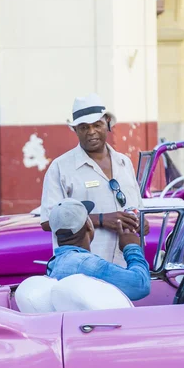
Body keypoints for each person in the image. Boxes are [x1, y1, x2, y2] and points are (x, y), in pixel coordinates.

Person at [40, 93, 147, 267]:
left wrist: (141, 224)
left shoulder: (124, 162)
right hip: (83, 270)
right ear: (75, 130)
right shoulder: (60, 167)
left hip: (124, 267)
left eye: (97, 125)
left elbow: (137, 208)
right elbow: (47, 221)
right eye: (83, 127)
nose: (91, 132)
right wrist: (102, 219)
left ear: (108, 124)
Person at [46, 198, 150, 301]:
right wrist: (132, 247)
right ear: (88, 225)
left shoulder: (54, 263)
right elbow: (140, 285)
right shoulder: (84, 263)